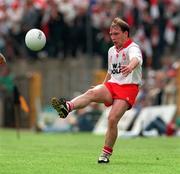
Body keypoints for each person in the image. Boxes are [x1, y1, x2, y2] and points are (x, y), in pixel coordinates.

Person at [51, 17, 143, 163]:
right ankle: (66, 107)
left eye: (116, 34)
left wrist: (131, 66)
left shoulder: (133, 48)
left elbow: (136, 59)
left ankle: (105, 154)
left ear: (126, 34)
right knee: (92, 92)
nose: (113, 37)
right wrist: (103, 86)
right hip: (113, 84)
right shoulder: (111, 50)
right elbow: (110, 71)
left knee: (112, 119)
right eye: (111, 34)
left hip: (128, 87)